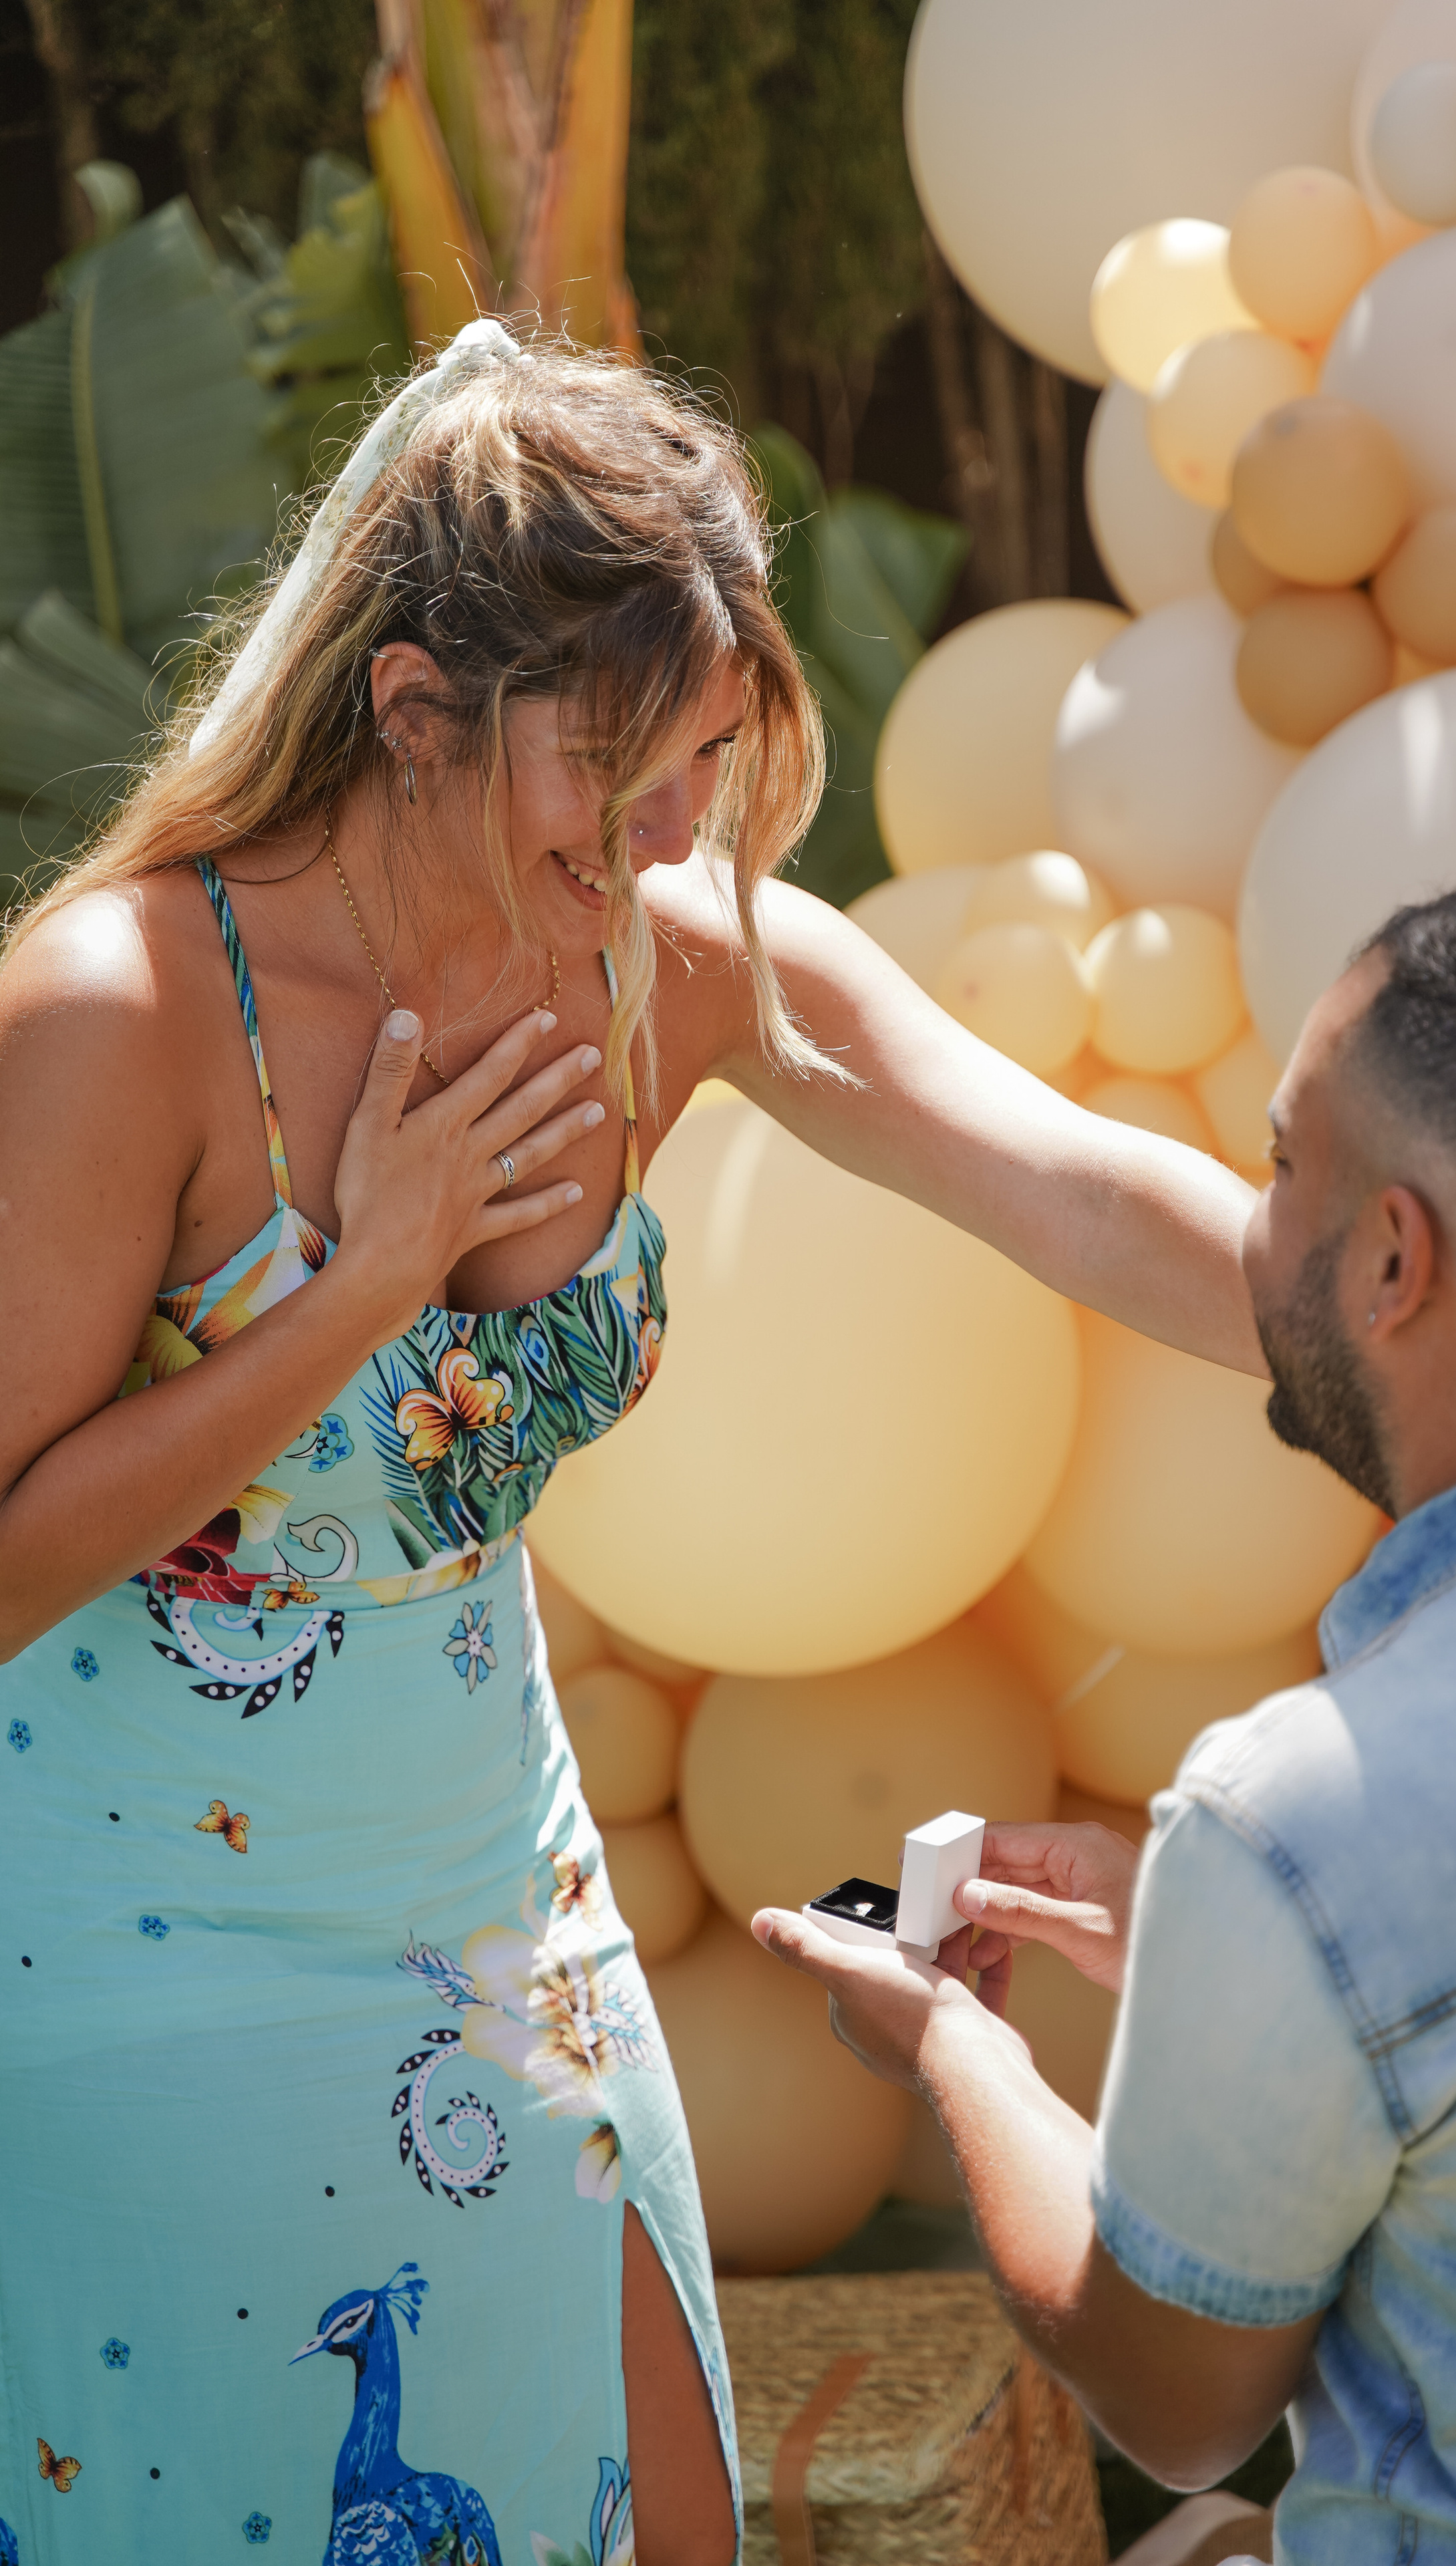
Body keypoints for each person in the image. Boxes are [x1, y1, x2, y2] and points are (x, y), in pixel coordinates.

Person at [0, 322, 1263, 2565]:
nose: (679, 835)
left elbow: (1070, 1185)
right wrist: (367, 1291)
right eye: (614, 772)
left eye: (702, 757)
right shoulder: (123, 1011)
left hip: (505, 1915)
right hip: (138, 1969)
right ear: (407, 711)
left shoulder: (667, 956)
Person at [757, 879, 1456, 2566]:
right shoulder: (1299, 1864)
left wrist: (953, 2050)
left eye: (1277, 1172)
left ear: (1395, 1260)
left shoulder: (1303, 1824)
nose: (1245, 1228)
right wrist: (1214, 1960)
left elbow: (1172, 2394)